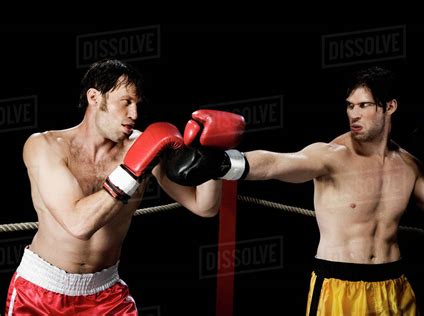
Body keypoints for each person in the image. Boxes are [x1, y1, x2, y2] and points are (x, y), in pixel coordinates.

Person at [165, 66, 424, 315]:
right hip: (340, 286)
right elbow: (275, 163)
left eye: (364, 106)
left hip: (393, 286)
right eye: (350, 106)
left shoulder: (408, 165)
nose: (354, 115)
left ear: (389, 107)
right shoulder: (331, 155)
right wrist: (224, 164)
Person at [4, 59, 245, 315]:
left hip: (105, 293)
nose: (135, 114)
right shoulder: (46, 146)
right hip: (39, 291)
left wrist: (212, 154)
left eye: (137, 104)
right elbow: (78, 225)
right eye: (126, 102)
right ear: (95, 97)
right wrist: (131, 170)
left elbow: (204, 207)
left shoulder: (141, 145)